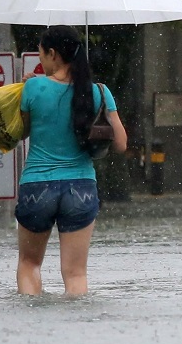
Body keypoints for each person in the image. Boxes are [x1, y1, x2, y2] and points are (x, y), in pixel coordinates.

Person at [14, 25, 127, 296]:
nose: (41, 60)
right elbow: (121, 144)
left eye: (42, 54)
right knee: (76, 274)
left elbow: (21, 132)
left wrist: (26, 88)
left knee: (29, 264)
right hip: (81, 187)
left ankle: (32, 327)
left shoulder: (33, 87)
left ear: (52, 53)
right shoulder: (99, 91)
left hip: (37, 186)